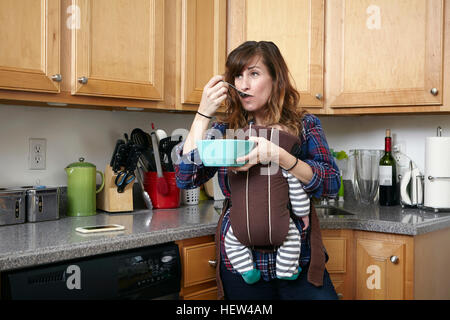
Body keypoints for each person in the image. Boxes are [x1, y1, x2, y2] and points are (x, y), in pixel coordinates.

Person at [174, 41, 340, 300]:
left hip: (299, 261)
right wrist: (202, 114)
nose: (243, 85)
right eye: (238, 76)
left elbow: (331, 184)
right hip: (242, 265)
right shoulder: (226, 129)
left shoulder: (305, 125)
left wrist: (280, 156)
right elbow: (186, 177)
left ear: (276, 79)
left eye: (253, 73)